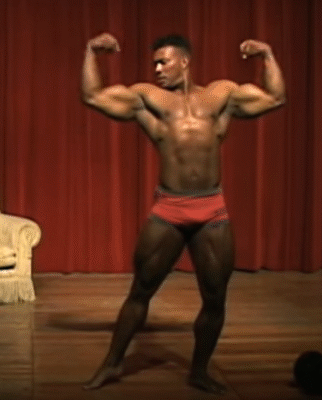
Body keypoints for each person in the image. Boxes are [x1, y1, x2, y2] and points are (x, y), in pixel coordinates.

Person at [80, 33, 285, 394]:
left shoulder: (221, 95)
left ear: (184, 61)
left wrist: (267, 54)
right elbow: (93, 96)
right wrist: (90, 52)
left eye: (164, 61)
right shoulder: (147, 98)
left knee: (215, 297)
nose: (158, 69)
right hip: (170, 209)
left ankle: (199, 371)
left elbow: (275, 97)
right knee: (141, 290)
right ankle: (113, 363)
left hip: (211, 208)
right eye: (155, 63)